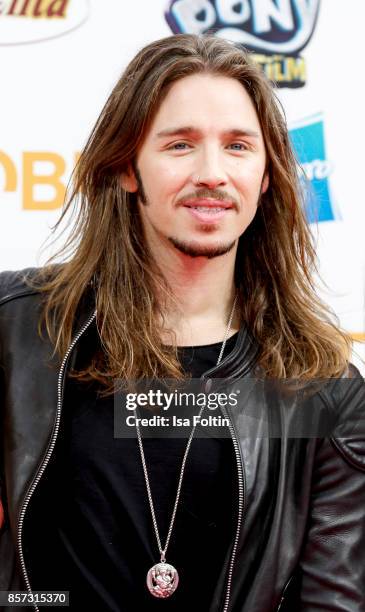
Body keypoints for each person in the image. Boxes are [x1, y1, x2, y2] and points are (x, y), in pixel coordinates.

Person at [0, 33, 364, 612]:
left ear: (267, 177)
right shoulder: (17, 330)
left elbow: (334, 598)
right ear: (126, 167)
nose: (212, 173)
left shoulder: (321, 388)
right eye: (180, 144)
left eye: (239, 146)